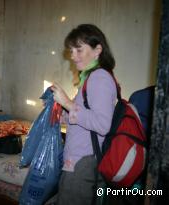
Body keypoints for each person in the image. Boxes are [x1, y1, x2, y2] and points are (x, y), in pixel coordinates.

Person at [51, 24, 117, 205]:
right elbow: (83, 115)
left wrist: (67, 102)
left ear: (97, 50)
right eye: (71, 51)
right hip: (78, 158)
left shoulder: (100, 78)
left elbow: (103, 125)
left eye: (79, 50)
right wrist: (61, 111)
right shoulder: (89, 77)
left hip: (84, 161)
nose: (73, 56)